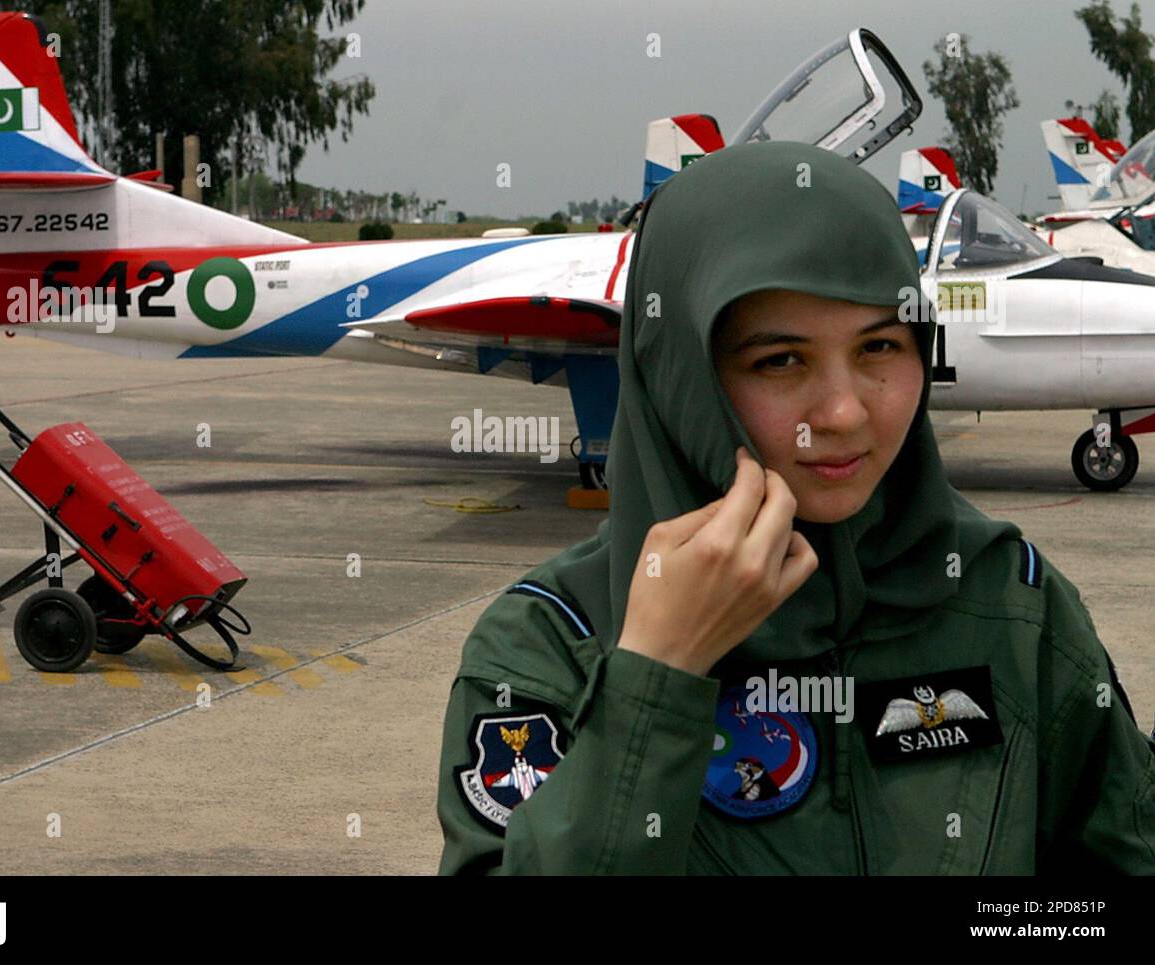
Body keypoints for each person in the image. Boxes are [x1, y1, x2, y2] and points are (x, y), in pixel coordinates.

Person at [435, 141, 1155, 875]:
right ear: (684, 376)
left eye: (880, 345)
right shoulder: (552, 647)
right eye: (780, 360)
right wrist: (657, 676)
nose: (844, 412)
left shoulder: (1013, 605)